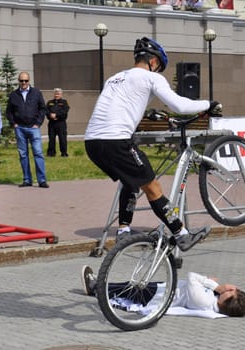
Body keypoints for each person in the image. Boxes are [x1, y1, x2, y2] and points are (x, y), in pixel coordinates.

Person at [84, 37, 221, 251]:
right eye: (159, 68)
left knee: (130, 181)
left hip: (92, 143)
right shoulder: (150, 78)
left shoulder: (114, 78)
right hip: (116, 140)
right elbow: (180, 105)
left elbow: (119, 107)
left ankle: (123, 232)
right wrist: (209, 104)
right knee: (153, 187)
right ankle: (181, 234)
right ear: (154, 62)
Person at [81, 266, 245, 317]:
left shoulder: (204, 301)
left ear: (226, 300)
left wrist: (215, 286)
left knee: (128, 288)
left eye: (232, 292)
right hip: (162, 290)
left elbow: (192, 276)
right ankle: (99, 285)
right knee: (128, 287)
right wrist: (212, 286)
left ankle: (95, 287)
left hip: (157, 295)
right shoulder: (213, 301)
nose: (230, 289)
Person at [6, 72, 49, 188]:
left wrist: (38, 123)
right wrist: (13, 123)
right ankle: (27, 180)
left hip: (33, 128)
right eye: (21, 81)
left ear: (29, 81)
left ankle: (42, 180)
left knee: (38, 153)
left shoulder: (36, 93)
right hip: (20, 128)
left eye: (25, 81)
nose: (23, 83)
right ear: (18, 81)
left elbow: (42, 109)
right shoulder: (14, 95)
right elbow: (9, 111)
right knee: (23, 154)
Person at [45, 88, 70, 157]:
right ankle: (51, 153)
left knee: (62, 138)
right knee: (51, 139)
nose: (56, 95)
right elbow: (46, 111)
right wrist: (50, 115)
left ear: (61, 95)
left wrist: (56, 115)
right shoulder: (50, 102)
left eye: (58, 94)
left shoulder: (64, 102)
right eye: (55, 94)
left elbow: (65, 111)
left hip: (61, 123)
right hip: (52, 123)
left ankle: (64, 153)